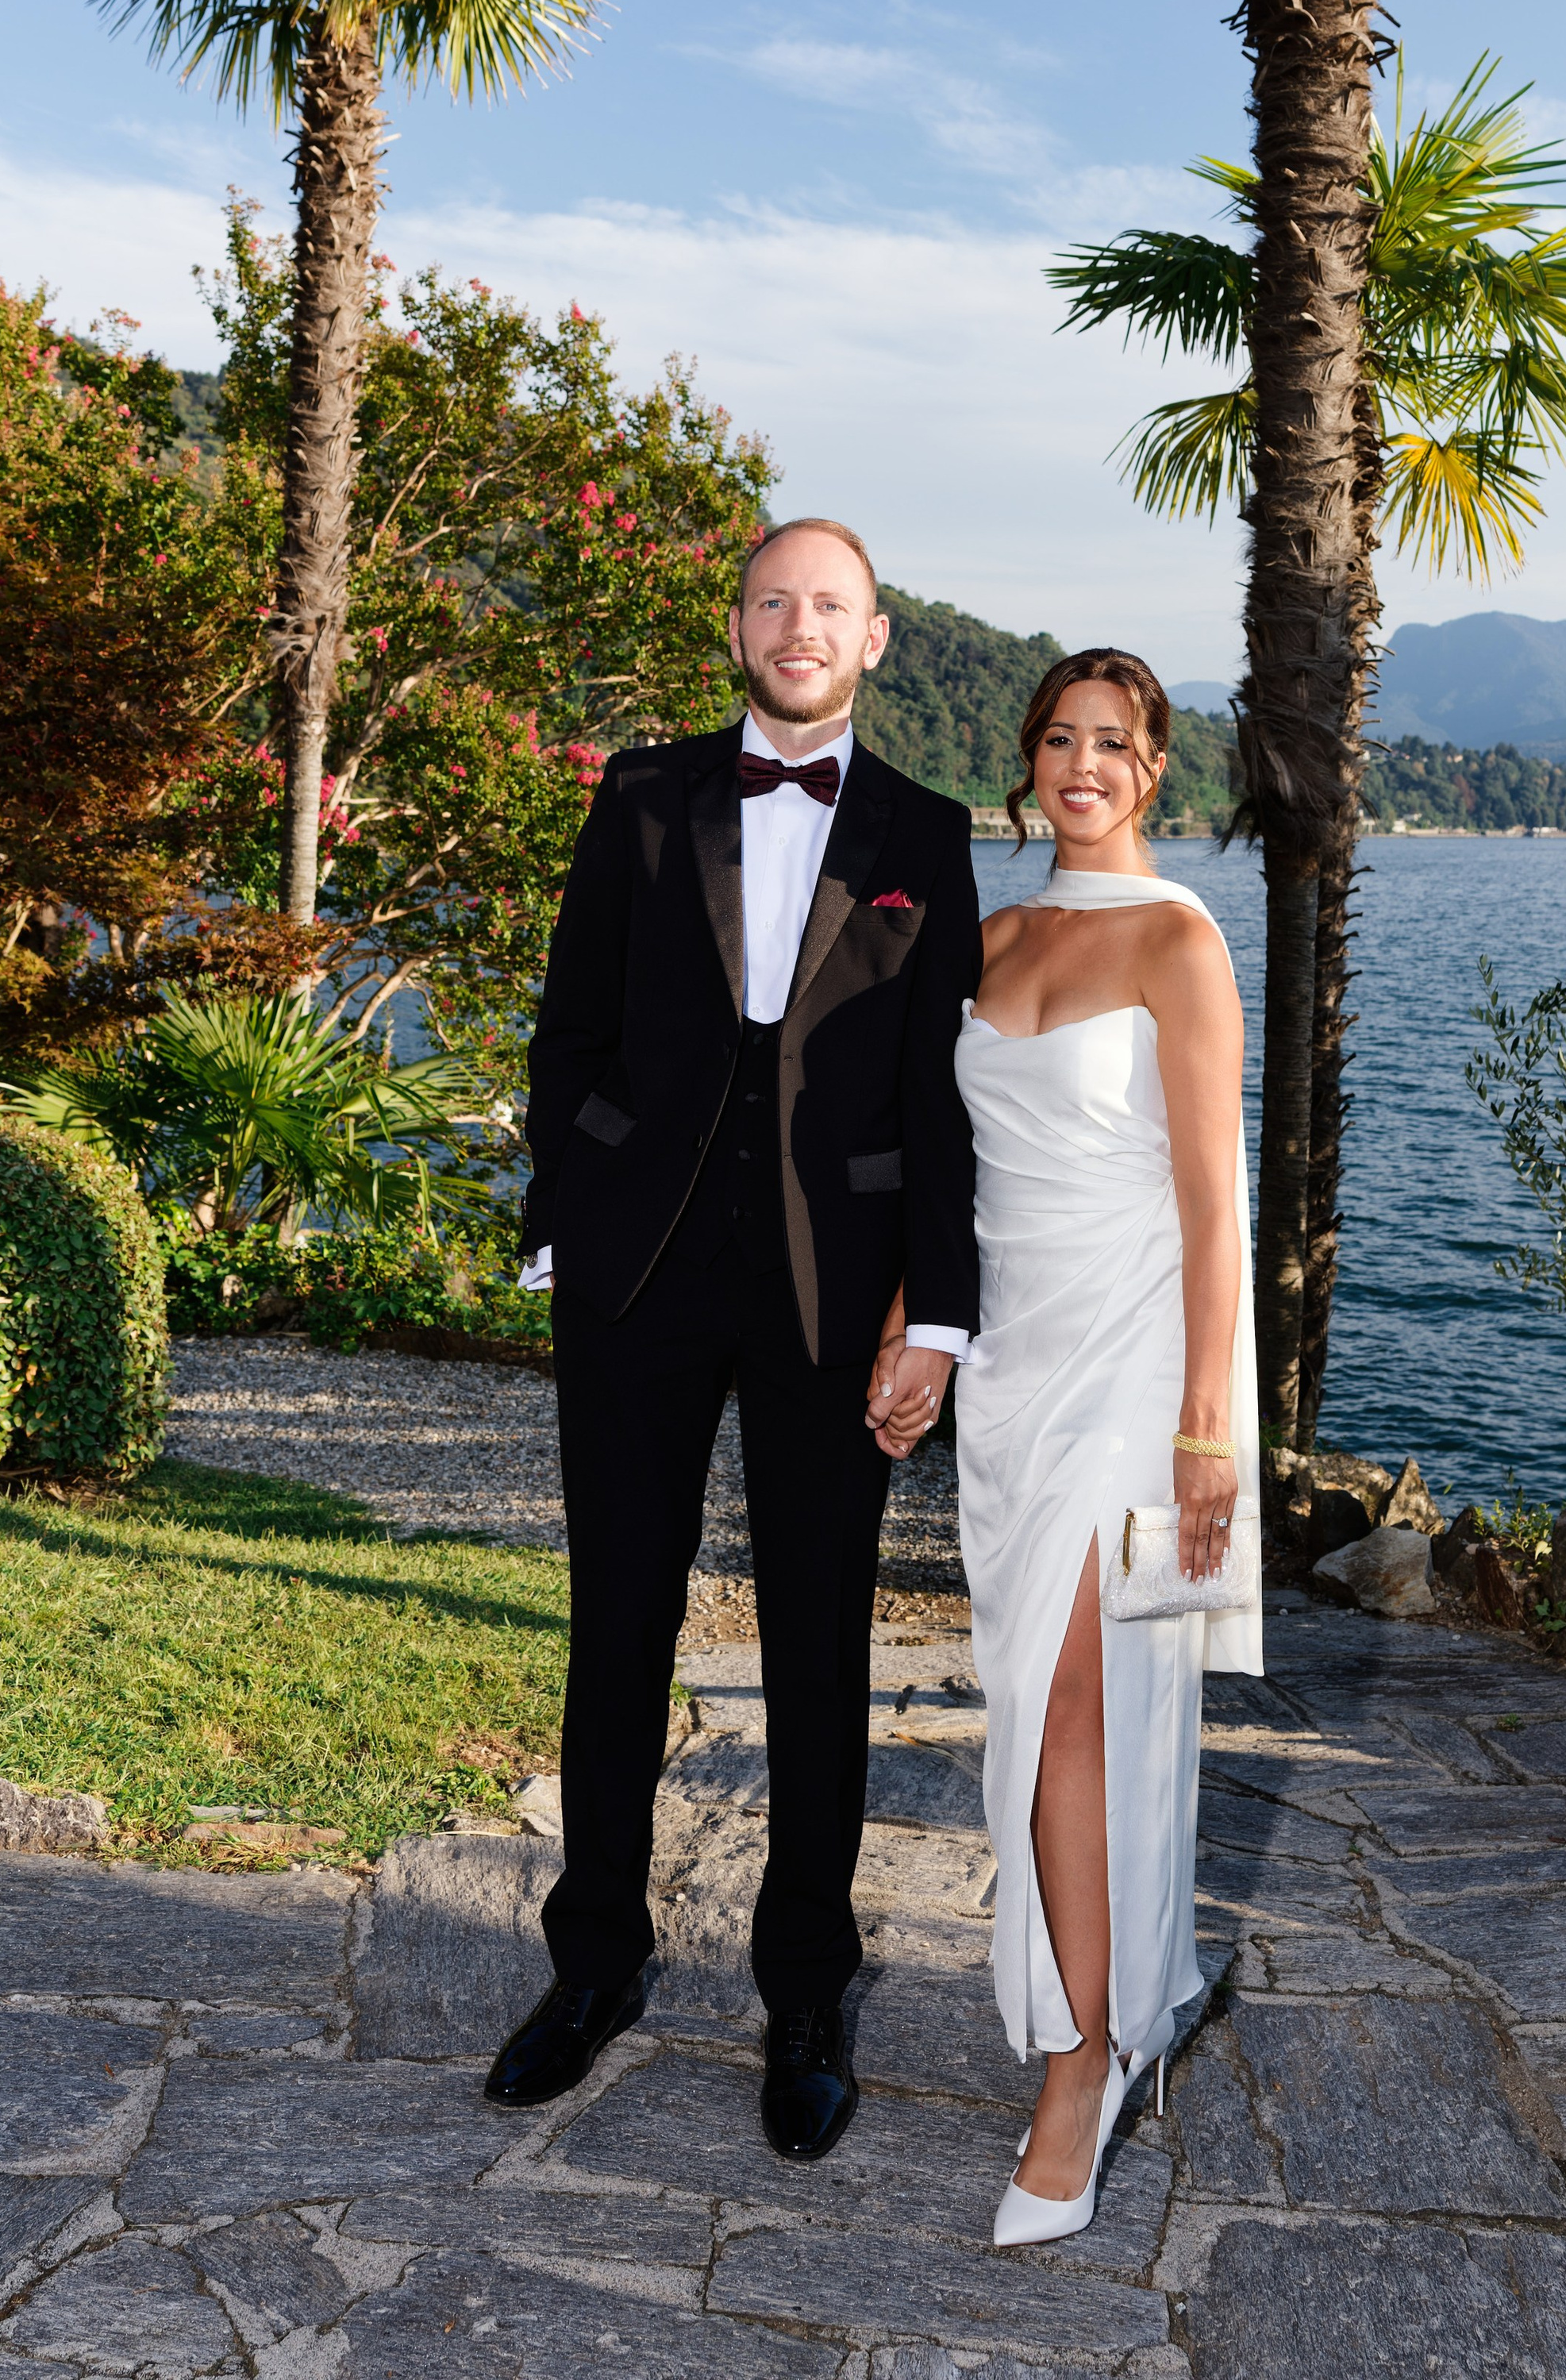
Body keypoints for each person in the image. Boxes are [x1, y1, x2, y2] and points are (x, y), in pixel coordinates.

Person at [485, 517, 979, 2161]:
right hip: (637, 1272)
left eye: (828, 604)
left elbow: (942, 1095)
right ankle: (593, 1965)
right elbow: (569, 1027)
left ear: (874, 636)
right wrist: (567, 1214)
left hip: (834, 1288)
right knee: (618, 1620)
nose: (798, 626)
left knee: (818, 1644)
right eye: (774, 600)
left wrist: (939, 1313)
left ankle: (807, 1993)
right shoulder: (641, 797)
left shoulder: (925, 832)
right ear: (739, 624)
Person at [888, 646, 1261, 2243]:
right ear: (1028, 763)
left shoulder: (1180, 941)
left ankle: (1081, 2062)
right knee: (1035, 1707)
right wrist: (914, 1326)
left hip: (1137, 1371)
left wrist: (1206, 1429)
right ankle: (1142, 1988)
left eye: (1113, 742)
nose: (1083, 765)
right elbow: (949, 1176)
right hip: (1012, 1377)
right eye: (1059, 739)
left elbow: (1213, 1205)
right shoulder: (991, 938)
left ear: (1154, 767)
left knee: (1073, 1712)